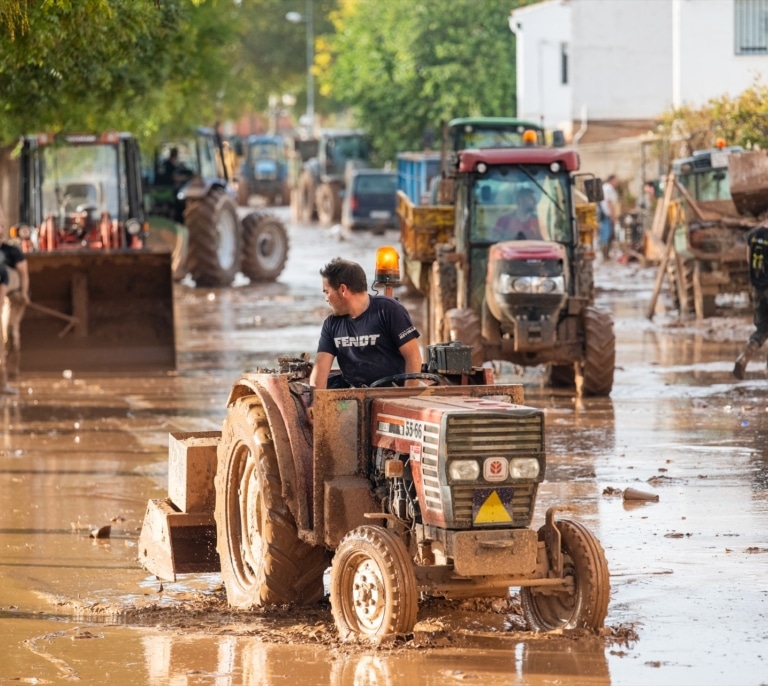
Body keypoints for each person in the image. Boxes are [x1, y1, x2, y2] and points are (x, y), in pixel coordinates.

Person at [309, 257, 422, 394]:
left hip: (394, 392)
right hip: (355, 396)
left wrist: (407, 396)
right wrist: (315, 403)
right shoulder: (331, 324)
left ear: (343, 289)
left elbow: (413, 356)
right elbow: (320, 369)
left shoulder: (389, 310)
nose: (326, 299)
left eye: (327, 292)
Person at [733, 225, 768, 379]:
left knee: (762, 329)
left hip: (757, 288)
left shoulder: (753, 235)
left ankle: (744, 358)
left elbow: (749, 259)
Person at [0, 216, 30, 394]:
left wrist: (24, 293)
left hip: (14, 297)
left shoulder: (12, 252)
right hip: (2, 296)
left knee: (10, 332)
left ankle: (11, 371)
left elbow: (23, 274)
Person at [599, 174, 620, 259]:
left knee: (606, 233)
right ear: (612, 180)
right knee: (607, 233)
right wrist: (613, 215)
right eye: (616, 180)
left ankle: (606, 254)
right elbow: (609, 202)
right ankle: (605, 254)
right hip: (607, 213)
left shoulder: (606, 188)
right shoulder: (608, 188)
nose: (617, 182)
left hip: (606, 213)